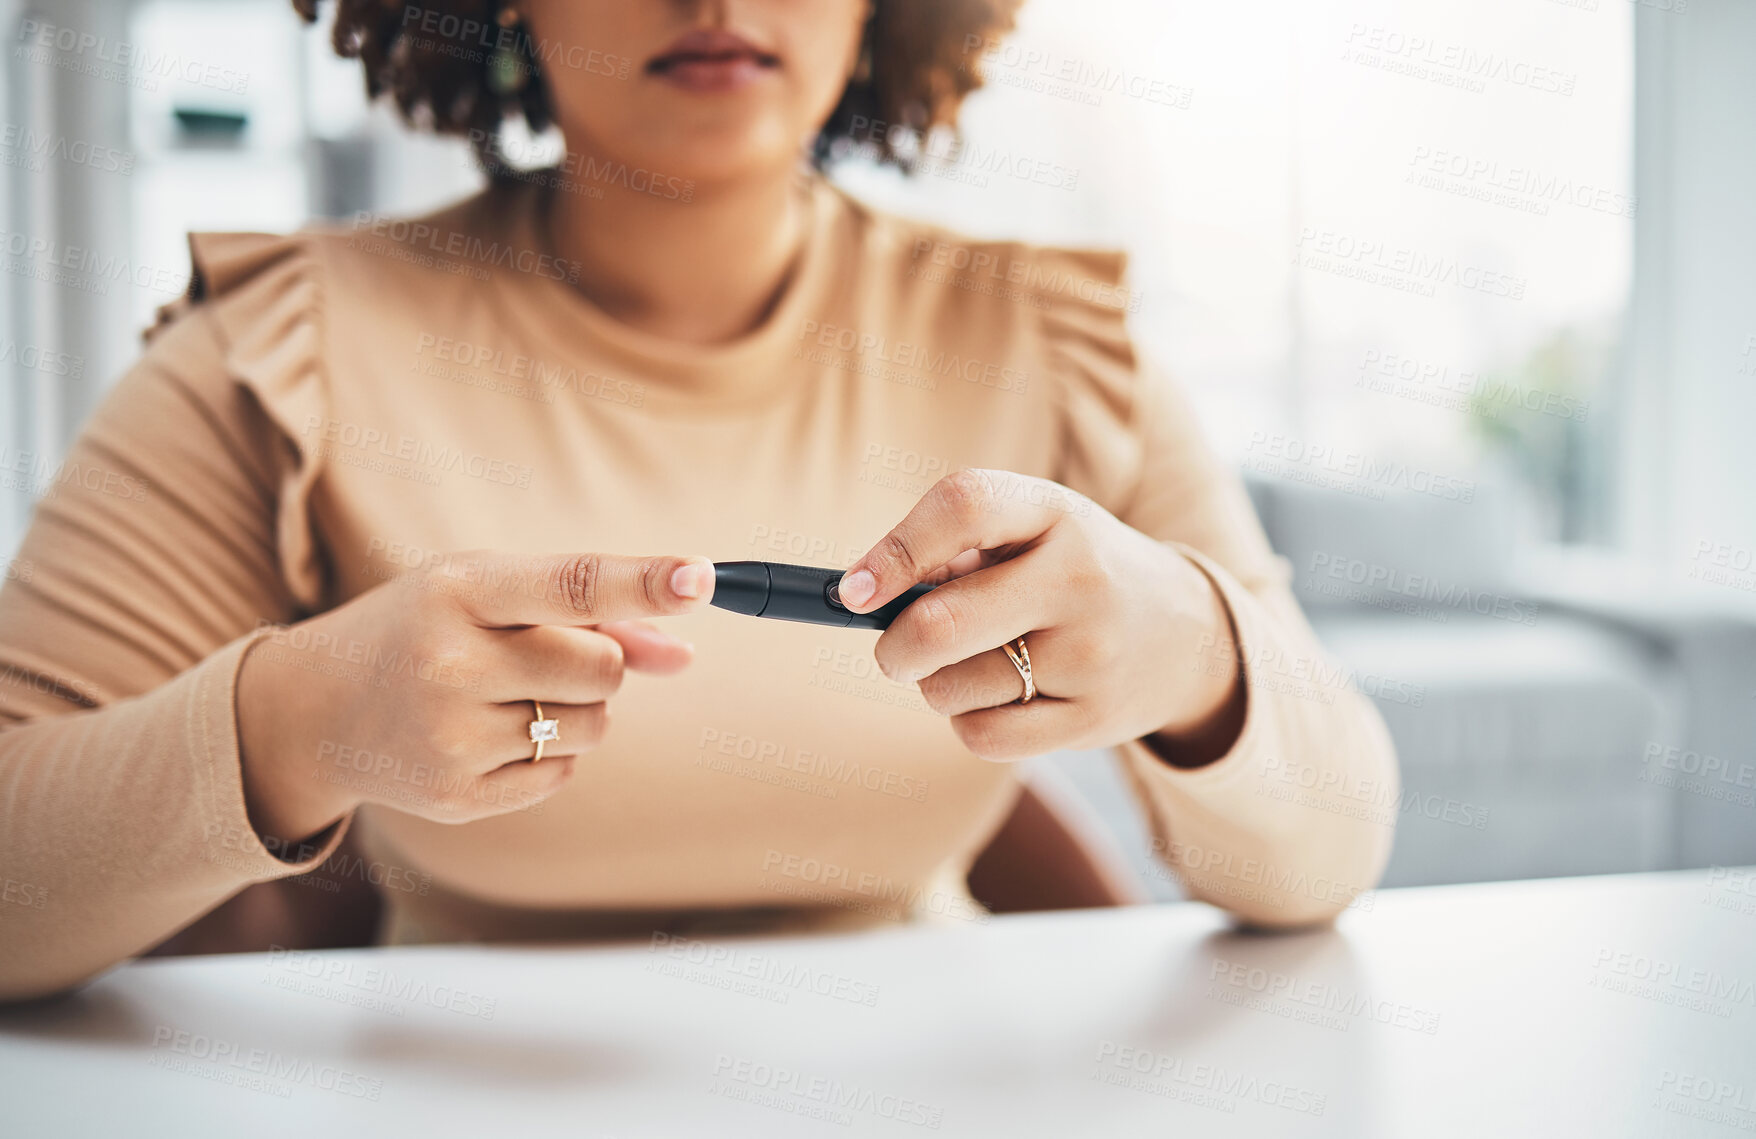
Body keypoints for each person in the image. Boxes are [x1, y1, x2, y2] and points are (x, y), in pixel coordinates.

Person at [0, 0, 1397, 1001]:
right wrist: (296, 723)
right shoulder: (272, 351)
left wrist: (1201, 647)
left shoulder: (1058, 344)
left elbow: (1332, 851)